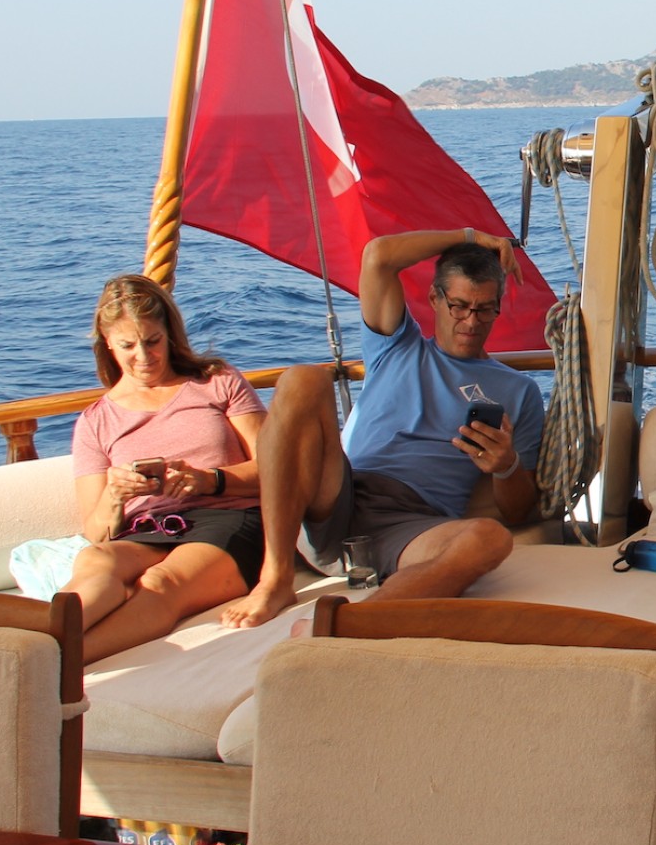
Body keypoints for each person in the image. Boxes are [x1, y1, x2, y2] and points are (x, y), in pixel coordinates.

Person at [220, 228, 545, 628]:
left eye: (485, 309)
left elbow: (517, 510)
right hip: (341, 494)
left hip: (412, 523)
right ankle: (275, 577)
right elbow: (378, 255)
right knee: (304, 378)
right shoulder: (396, 345)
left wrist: (505, 465)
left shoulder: (519, 391)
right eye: (459, 306)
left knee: (491, 540)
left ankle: (354, 624)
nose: (471, 321)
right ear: (434, 300)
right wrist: (470, 236)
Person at [67, 275, 266, 663]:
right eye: (127, 345)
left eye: (152, 341)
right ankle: (33, 643)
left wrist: (208, 480)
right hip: (145, 528)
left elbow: (276, 469)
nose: (143, 357)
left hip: (228, 518)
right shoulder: (95, 422)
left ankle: (54, 664)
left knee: (159, 583)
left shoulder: (216, 382)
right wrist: (114, 493)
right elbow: (95, 532)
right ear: (107, 343)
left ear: (170, 334)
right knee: (95, 562)